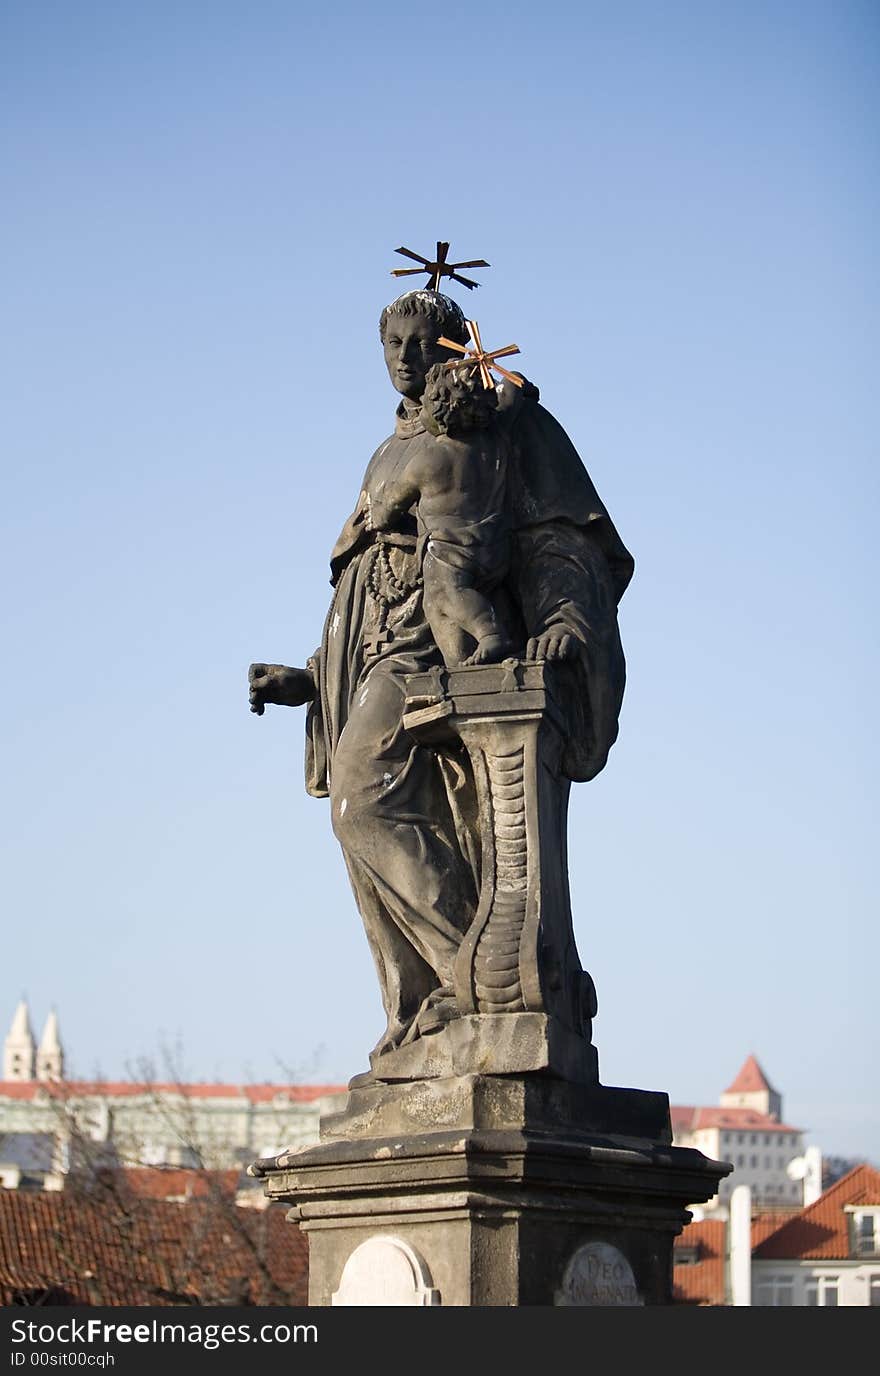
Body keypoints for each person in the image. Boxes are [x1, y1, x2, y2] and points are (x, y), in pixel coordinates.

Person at [249, 288, 633, 1064]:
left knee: (361, 799)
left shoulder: (509, 429)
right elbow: (374, 584)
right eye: (392, 346)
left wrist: (565, 621)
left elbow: (562, 538)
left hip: (445, 653)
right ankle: (433, 998)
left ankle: (477, 976)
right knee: (363, 820)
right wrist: (312, 678)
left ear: (459, 348)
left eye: (424, 344)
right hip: (380, 657)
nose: (405, 360)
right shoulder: (390, 448)